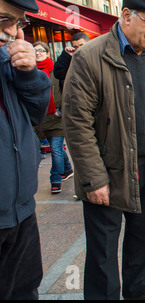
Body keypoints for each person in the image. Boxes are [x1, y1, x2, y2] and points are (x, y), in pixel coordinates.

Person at [62, 0, 145, 300]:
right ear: (126, 15)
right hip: (109, 170)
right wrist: (94, 179)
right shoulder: (91, 56)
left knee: (143, 237)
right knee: (103, 247)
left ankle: (139, 288)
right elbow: (77, 122)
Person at [0, 0, 52, 300]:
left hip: (21, 208)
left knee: (25, 288)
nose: (12, 31)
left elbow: (36, 115)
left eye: (19, 23)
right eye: (4, 19)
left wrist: (30, 74)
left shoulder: (9, 63)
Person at [33, 41, 73, 194]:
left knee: (56, 149)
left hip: (56, 119)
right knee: (56, 150)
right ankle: (68, 169)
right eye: (35, 50)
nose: (38, 53)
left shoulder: (56, 70)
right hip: (38, 121)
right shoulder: (29, 72)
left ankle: (55, 179)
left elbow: (67, 91)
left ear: (48, 53)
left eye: (41, 51)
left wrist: (61, 111)